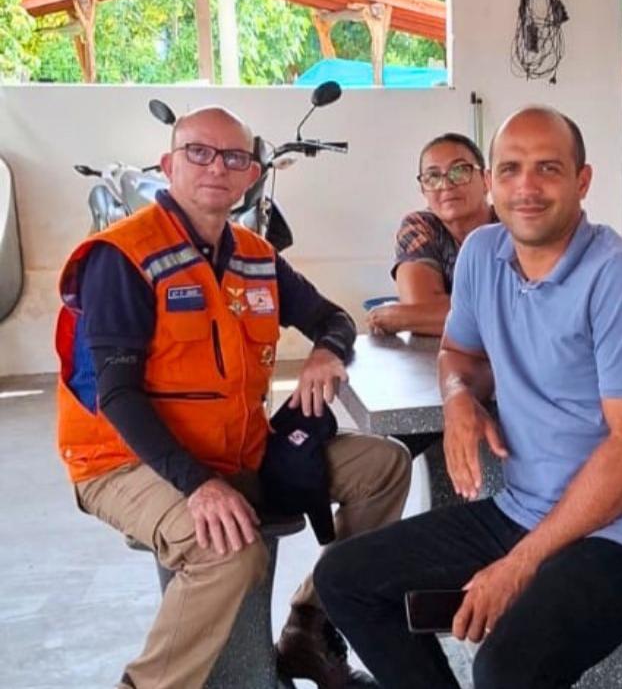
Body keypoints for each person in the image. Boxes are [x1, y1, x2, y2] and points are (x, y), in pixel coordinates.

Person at [315, 106, 622, 689]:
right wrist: (458, 399)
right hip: (527, 507)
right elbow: (460, 353)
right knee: (345, 578)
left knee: (504, 665)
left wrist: (518, 565)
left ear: (582, 181)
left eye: (548, 168)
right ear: (491, 182)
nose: (527, 187)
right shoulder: (482, 254)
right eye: (510, 169)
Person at [55, 105, 412, 689]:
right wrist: (198, 484)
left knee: (385, 465)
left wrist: (326, 351)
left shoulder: (255, 254)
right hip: (123, 461)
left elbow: (334, 318)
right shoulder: (123, 257)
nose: (217, 167)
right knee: (229, 553)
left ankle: (309, 629)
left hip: (239, 450)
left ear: (251, 174)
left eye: (235, 157)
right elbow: (117, 396)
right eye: (199, 152)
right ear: (169, 164)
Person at [367, 132, 494, 337]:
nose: (446, 185)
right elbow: (420, 310)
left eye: (459, 171)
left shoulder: (512, 226)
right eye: (433, 177)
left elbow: (531, 313)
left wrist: (403, 317)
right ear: (423, 190)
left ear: (487, 181)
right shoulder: (420, 227)